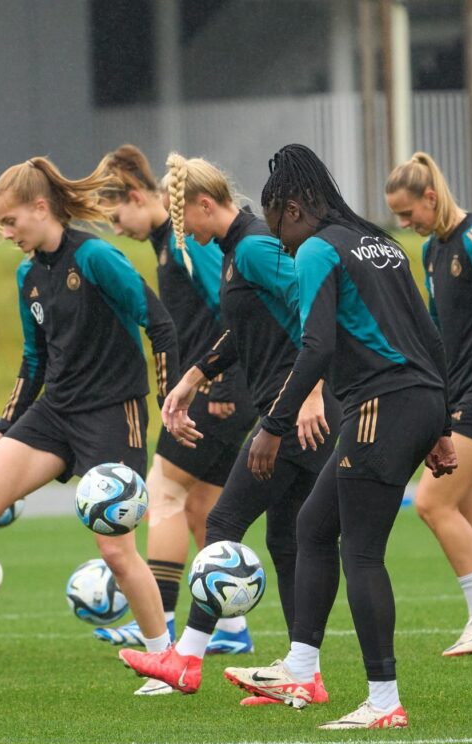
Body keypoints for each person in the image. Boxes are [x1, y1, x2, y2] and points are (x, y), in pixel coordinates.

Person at [0, 157, 179, 684]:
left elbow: (159, 324)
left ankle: (167, 658)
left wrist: (170, 398)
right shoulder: (28, 274)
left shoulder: (96, 258)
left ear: (40, 209)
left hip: (113, 413)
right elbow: (33, 364)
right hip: (56, 412)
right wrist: (4, 426)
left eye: (10, 222)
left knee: (115, 548)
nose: (4, 233)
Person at [220, 144, 456, 730]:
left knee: (362, 550)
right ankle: (302, 666)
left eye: (280, 229)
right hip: (416, 400)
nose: (282, 244)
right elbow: (430, 333)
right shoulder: (381, 241)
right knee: (313, 526)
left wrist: (273, 426)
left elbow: (317, 346)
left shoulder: (318, 249)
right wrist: (440, 423)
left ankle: (383, 702)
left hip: (382, 404)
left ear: (294, 209)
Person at [119, 153, 341, 705]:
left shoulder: (256, 247)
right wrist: (191, 379)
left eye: (184, 222)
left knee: (223, 521)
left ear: (205, 204)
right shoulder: (232, 253)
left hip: (297, 411)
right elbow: (242, 330)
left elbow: (316, 314)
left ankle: (187, 658)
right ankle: (303, 672)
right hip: (293, 407)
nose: (184, 233)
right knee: (286, 537)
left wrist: (312, 394)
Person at [94, 145, 258, 671]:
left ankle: (160, 622)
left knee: (162, 494)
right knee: (201, 507)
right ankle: (230, 627)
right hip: (218, 389)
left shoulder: (191, 244)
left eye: (117, 216)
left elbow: (237, 309)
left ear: (140, 197)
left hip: (220, 391)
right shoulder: (169, 243)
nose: (118, 229)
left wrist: (225, 384)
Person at [385, 151, 472, 656]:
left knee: (430, 502)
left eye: (408, 214)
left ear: (431, 196)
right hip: (459, 394)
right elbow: (441, 333)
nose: (405, 224)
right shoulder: (431, 251)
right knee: (468, 509)